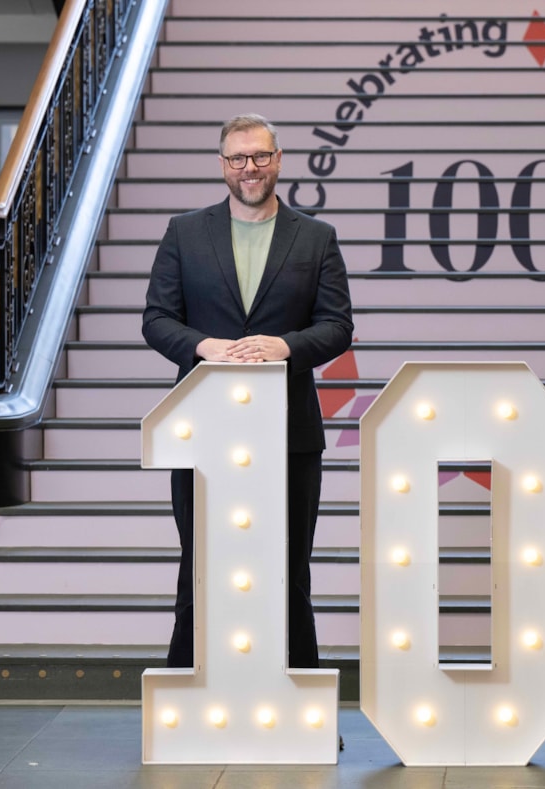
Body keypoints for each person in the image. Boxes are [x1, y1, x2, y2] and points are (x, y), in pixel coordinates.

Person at [142, 113, 354, 671]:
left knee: (288, 567)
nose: (249, 168)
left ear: (278, 159)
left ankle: (299, 702)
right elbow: (157, 320)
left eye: (260, 156)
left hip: (290, 435)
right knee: (201, 564)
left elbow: (338, 326)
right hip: (203, 432)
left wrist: (282, 347)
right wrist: (205, 347)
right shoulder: (184, 233)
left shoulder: (317, 237)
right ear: (222, 166)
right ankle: (187, 699)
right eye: (238, 158)